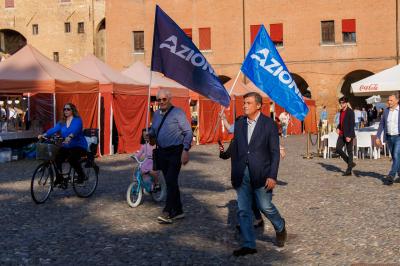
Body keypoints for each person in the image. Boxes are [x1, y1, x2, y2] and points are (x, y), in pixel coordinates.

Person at [230, 92, 286, 257]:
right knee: (243, 210)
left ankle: (280, 225)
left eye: (248, 103)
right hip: (242, 173)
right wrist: (234, 174)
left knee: (265, 206)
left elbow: (275, 152)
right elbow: (237, 151)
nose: (245, 106)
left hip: (262, 173)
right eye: (244, 103)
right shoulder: (240, 124)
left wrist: (272, 175)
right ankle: (249, 244)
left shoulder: (269, 124)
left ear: (259, 105)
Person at [147, 89, 193, 224]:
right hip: (161, 151)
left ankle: (167, 212)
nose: (161, 102)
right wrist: (149, 134)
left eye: (164, 99)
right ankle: (178, 210)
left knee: (171, 180)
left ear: (169, 99)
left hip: (175, 151)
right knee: (169, 181)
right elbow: (154, 131)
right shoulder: (156, 114)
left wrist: (185, 150)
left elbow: (188, 132)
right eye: (159, 99)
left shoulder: (178, 112)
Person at [38, 103, 88, 184]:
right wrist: (44, 135)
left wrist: (70, 136)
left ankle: (82, 175)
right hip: (67, 146)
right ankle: (59, 177)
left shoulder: (77, 120)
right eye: (64, 109)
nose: (66, 111)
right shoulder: (62, 122)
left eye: (68, 109)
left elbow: (76, 130)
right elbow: (53, 129)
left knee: (72, 159)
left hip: (79, 145)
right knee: (57, 157)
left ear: (72, 110)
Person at [376, 93, 400, 185]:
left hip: (398, 137)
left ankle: (391, 175)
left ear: (397, 101)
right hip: (389, 137)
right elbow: (381, 124)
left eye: (391, 100)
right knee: (395, 157)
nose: (389, 102)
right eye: (388, 100)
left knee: (396, 154)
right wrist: (378, 136)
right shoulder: (386, 111)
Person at [336, 97, 356, 176]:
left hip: (348, 134)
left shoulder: (350, 112)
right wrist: (338, 127)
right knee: (338, 149)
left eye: (343, 103)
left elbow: (352, 125)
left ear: (346, 103)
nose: (342, 104)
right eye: (341, 103)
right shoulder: (341, 111)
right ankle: (350, 163)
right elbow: (341, 122)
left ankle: (349, 170)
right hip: (341, 134)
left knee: (349, 151)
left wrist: (350, 136)